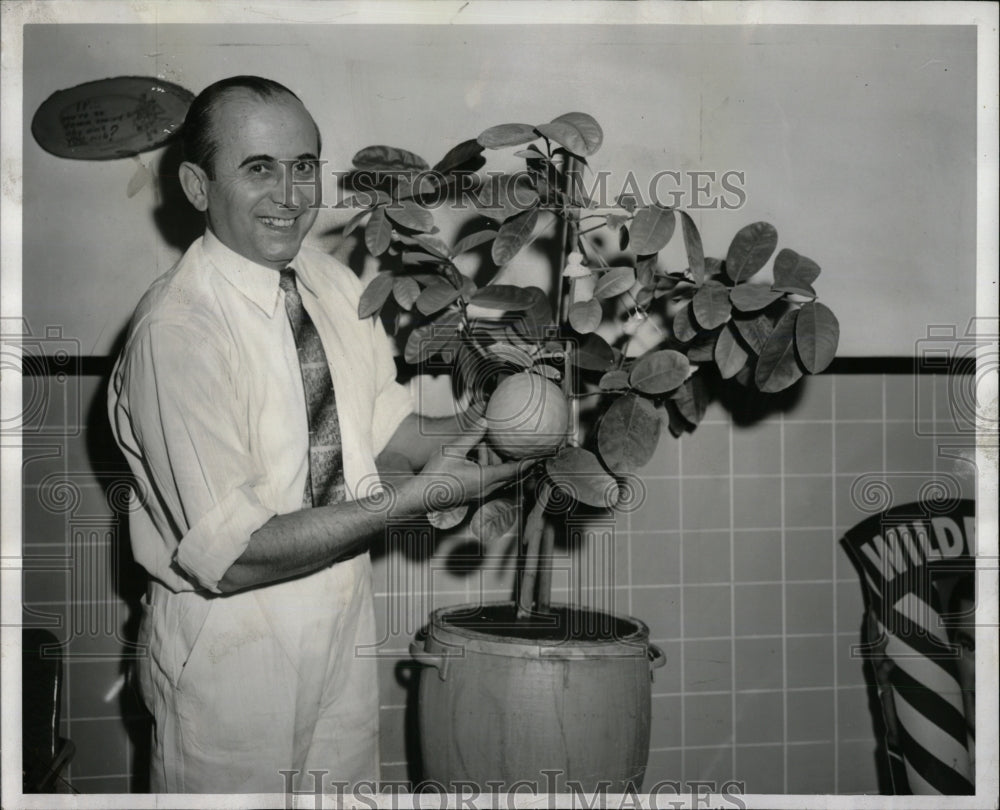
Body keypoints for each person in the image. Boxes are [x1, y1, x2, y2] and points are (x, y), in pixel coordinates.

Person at [108, 75, 521, 794]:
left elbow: (387, 437)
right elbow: (232, 559)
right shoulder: (178, 332)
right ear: (197, 187)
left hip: (341, 623)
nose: (293, 195)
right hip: (230, 651)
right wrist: (413, 502)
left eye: (305, 165)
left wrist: (501, 423)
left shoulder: (328, 281)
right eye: (259, 168)